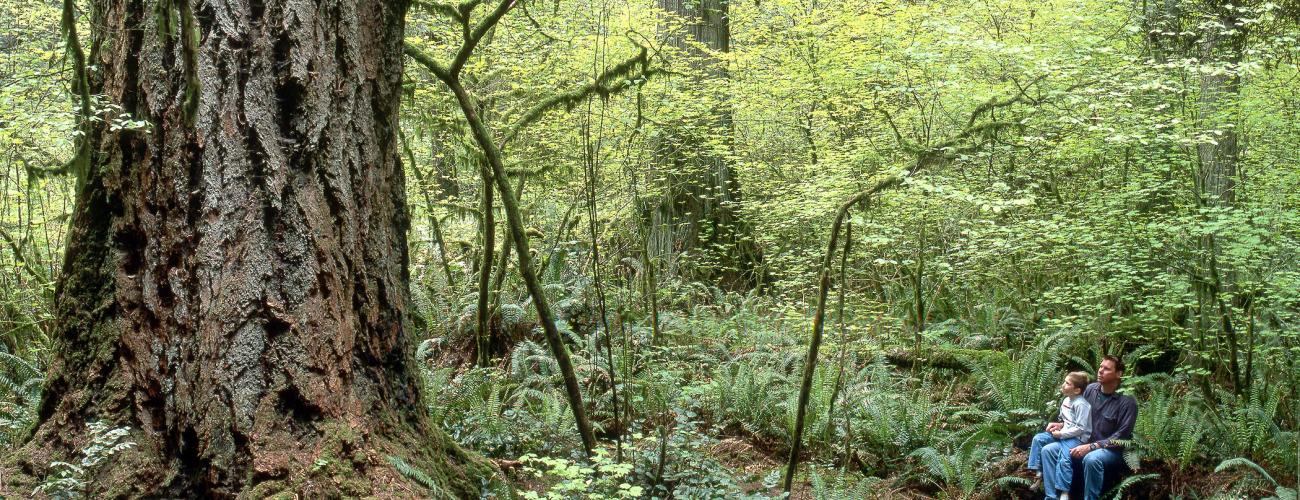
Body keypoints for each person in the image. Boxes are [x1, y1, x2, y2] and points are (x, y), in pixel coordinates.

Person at [1039, 355, 1138, 500]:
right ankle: (1052, 497)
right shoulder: (1091, 389)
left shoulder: (1128, 402)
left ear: (1119, 374)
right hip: (1081, 442)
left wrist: (1091, 446)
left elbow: (1121, 437)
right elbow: (1077, 416)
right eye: (1100, 367)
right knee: (1048, 450)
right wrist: (1061, 425)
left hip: (1111, 451)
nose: (1100, 371)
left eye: (1106, 369)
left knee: (1092, 459)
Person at [1027, 371, 1093, 499]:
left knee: (1064, 458)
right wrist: (1059, 425)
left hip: (1076, 438)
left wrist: (1061, 434)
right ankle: (1038, 474)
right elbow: (1066, 421)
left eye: (1067, 383)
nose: (1063, 385)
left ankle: (1064, 492)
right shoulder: (1066, 400)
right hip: (1064, 433)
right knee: (1038, 439)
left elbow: (1080, 428)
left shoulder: (1081, 405)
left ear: (1077, 390)